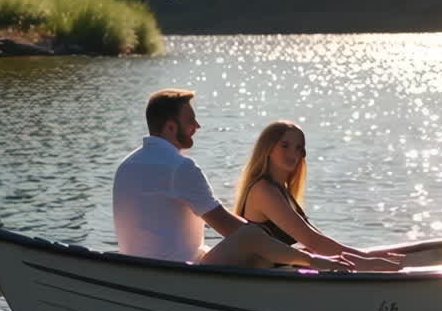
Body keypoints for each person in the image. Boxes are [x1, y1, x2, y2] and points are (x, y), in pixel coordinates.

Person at [113, 89, 351, 271]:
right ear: (171, 127)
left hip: (140, 271)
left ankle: (302, 260)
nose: (197, 125)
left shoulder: (126, 166)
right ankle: (314, 263)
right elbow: (229, 227)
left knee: (260, 243)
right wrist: (289, 248)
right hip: (180, 276)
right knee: (252, 235)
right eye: (191, 121)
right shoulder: (179, 168)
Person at [236, 121, 404, 272]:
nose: (293, 153)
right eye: (285, 145)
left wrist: (367, 256)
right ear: (268, 148)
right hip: (260, 281)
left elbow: (317, 240)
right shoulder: (264, 190)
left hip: (276, 275)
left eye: (299, 148)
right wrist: (368, 262)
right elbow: (313, 241)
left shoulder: (282, 190)